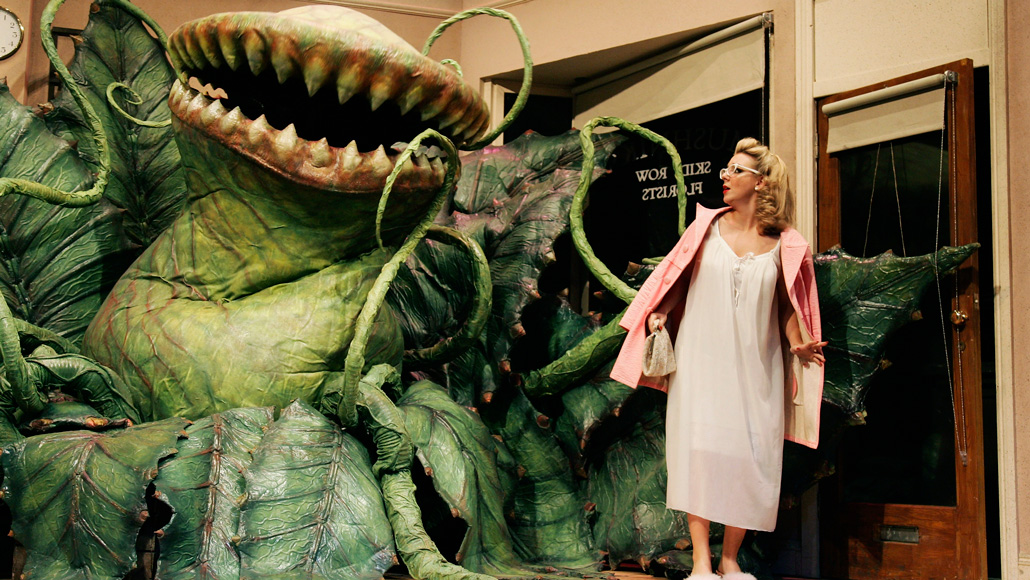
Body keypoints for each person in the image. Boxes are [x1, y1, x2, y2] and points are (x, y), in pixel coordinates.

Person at [610, 138, 826, 580]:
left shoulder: (786, 243)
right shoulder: (706, 227)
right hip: (700, 359)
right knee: (700, 453)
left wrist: (797, 342)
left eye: (736, 170)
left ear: (761, 182)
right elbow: (678, 277)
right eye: (726, 168)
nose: (724, 176)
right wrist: (660, 314)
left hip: (758, 365)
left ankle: (730, 560)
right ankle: (702, 563)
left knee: (750, 457)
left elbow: (787, 306)